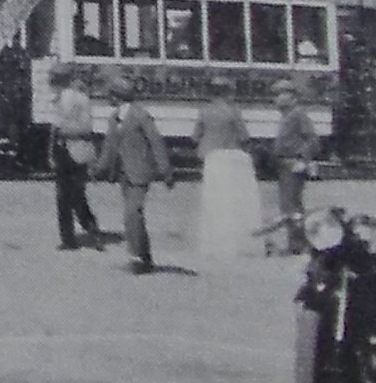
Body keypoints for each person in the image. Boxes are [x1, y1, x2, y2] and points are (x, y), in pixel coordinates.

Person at [92, 74, 174, 273]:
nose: (108, 98)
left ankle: (136, 257)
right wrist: (98, 169)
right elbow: (110, 146)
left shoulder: (140, 115)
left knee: (131, 214)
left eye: (110, 95)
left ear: (118, 96)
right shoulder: (114, 118)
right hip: (123, 174)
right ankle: (145, 257)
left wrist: (165, 171)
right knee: (136, 216)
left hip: (140, 172)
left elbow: (156, 143)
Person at [191, 92, 260, 261]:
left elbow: (195, 136)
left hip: (210, 157)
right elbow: (244, 136)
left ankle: (212, 242)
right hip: (231, 157)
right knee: (230, 201)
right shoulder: (234, 111)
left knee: (212, 200)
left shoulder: (204, 111)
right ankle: (231, 239)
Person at [47, 65, 104, 250]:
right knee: (76, 194)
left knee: (65, 196)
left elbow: (58, 129)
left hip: (69, 148)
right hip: (77, 149)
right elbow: (85, 127)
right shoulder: (81, 98)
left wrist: (51, 151)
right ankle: (88, 229)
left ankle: (71, 238)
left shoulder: (67, 99)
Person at [269, 81, 321, 255]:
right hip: (284, 164)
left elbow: (312, 140)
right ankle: (295, 242)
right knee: (288, 205)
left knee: (291, 205)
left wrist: (302, 158)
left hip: (293, 163)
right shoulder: (288, 116)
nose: (276, 99)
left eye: (280, 95)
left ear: (292, 97)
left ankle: (299, 243)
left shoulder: (298, 115)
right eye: (275, 95)